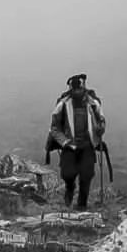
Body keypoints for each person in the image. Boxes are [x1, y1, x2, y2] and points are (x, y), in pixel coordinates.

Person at [44, 74, 107, 210]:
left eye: (80, 89)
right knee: (68, 174)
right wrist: (65, 142)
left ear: (84, 88)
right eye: (75, 89)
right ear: (71, 90)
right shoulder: (63, 105)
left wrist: (101, 128)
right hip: (69, 146)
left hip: (87, 145)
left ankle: (81, 207)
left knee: (87, 175)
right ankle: (69, 188)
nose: (78, 92)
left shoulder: (93, 104)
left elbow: (101, 120)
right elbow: (54, 128)